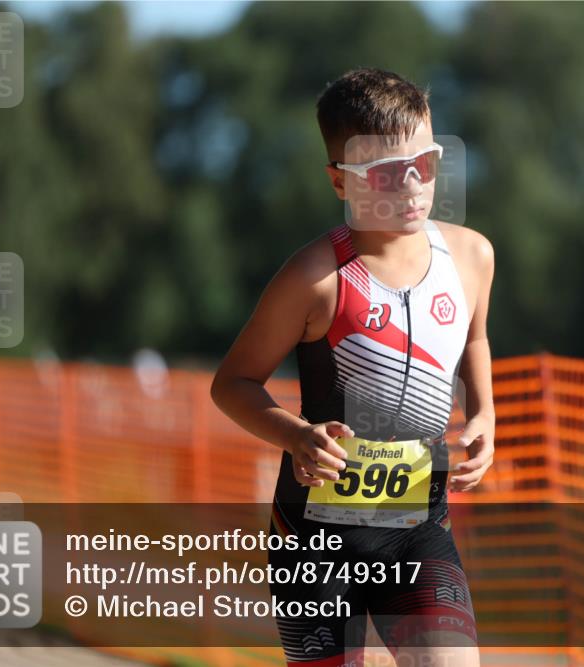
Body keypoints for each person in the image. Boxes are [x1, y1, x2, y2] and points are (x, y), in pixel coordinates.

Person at [211, 67, 495, 667]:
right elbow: (232, 383)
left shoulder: (471, 255)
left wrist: (484, 413)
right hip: (313, 539)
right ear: (340, 181)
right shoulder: (314, 278)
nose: (413, 184)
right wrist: (295, 435)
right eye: (388, 172)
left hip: (419, 530)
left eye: (428, 162)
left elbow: (474, 338)